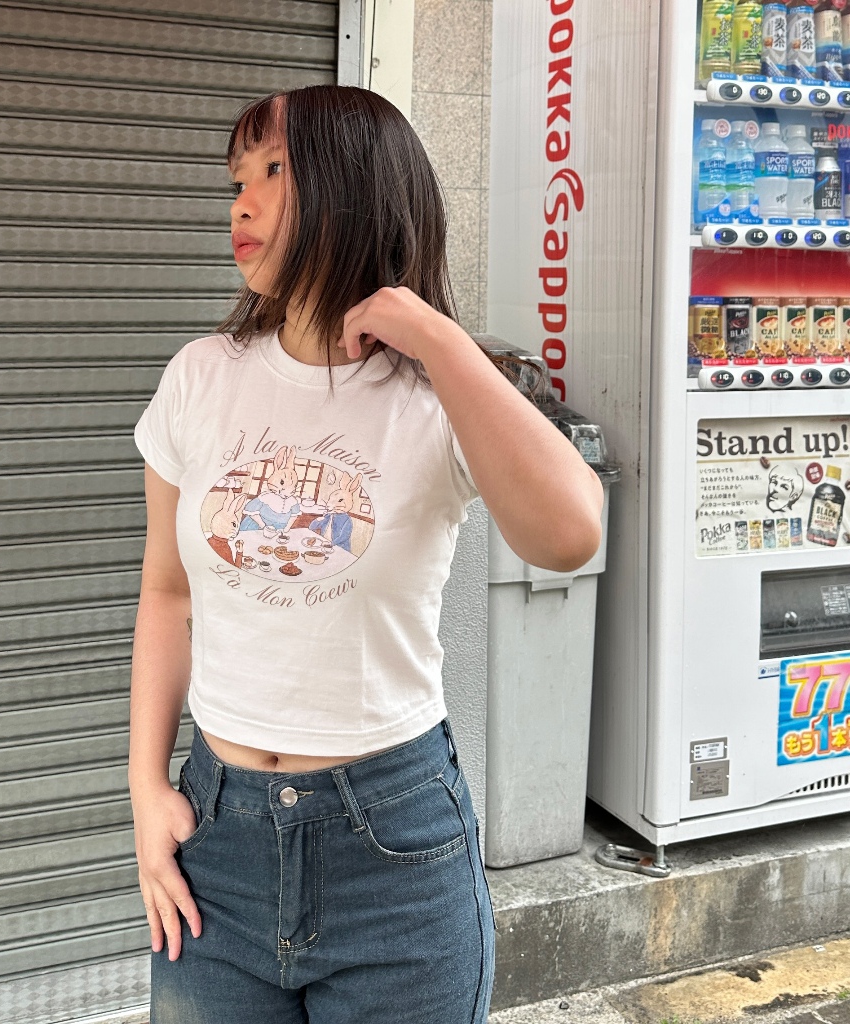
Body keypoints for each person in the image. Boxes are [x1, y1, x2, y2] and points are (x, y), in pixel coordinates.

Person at [129, 84, 604, 1024]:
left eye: (273, 171)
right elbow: (166, 594)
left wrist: (434, 336)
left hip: (392, 848)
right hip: (219, 842)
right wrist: (144, 787)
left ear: (357, 186)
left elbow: (570, 532)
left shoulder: (436, 395)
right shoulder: (199, 378)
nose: (242, 203)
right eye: (236, 181)